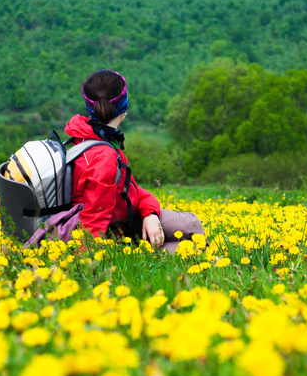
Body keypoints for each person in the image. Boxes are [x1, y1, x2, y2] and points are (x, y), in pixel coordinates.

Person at [64, 69, 204, 254]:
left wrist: (150, 213)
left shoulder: (92, 136)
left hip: (128, 219)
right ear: (124, 108)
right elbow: (94, 220)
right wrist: (89, 263)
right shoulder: (103, 156)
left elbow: (128, 190)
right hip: (117, 233)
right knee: (189, 241)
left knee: (190, 226)